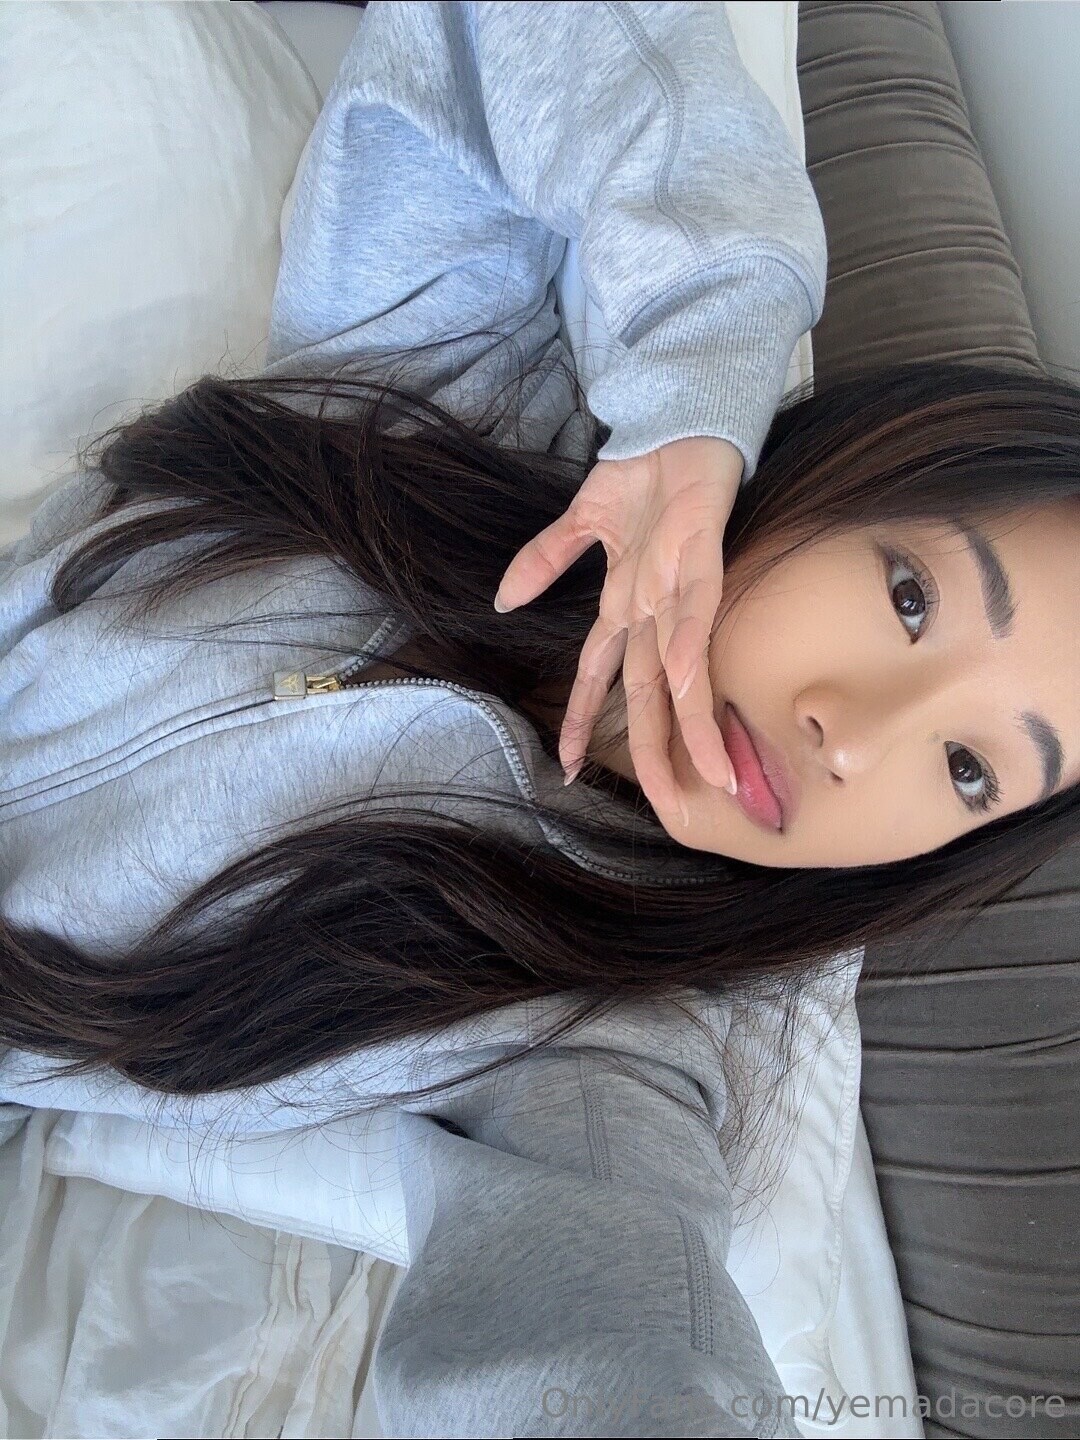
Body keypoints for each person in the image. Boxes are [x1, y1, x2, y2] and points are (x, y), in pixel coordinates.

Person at [0, 3, 1077, 1435]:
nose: (856, 738)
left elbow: (614, 1341)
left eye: (970, 768)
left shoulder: (605, 1044)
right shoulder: (462, 378)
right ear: (840, 483)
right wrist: (702, 379)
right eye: (912, 598)